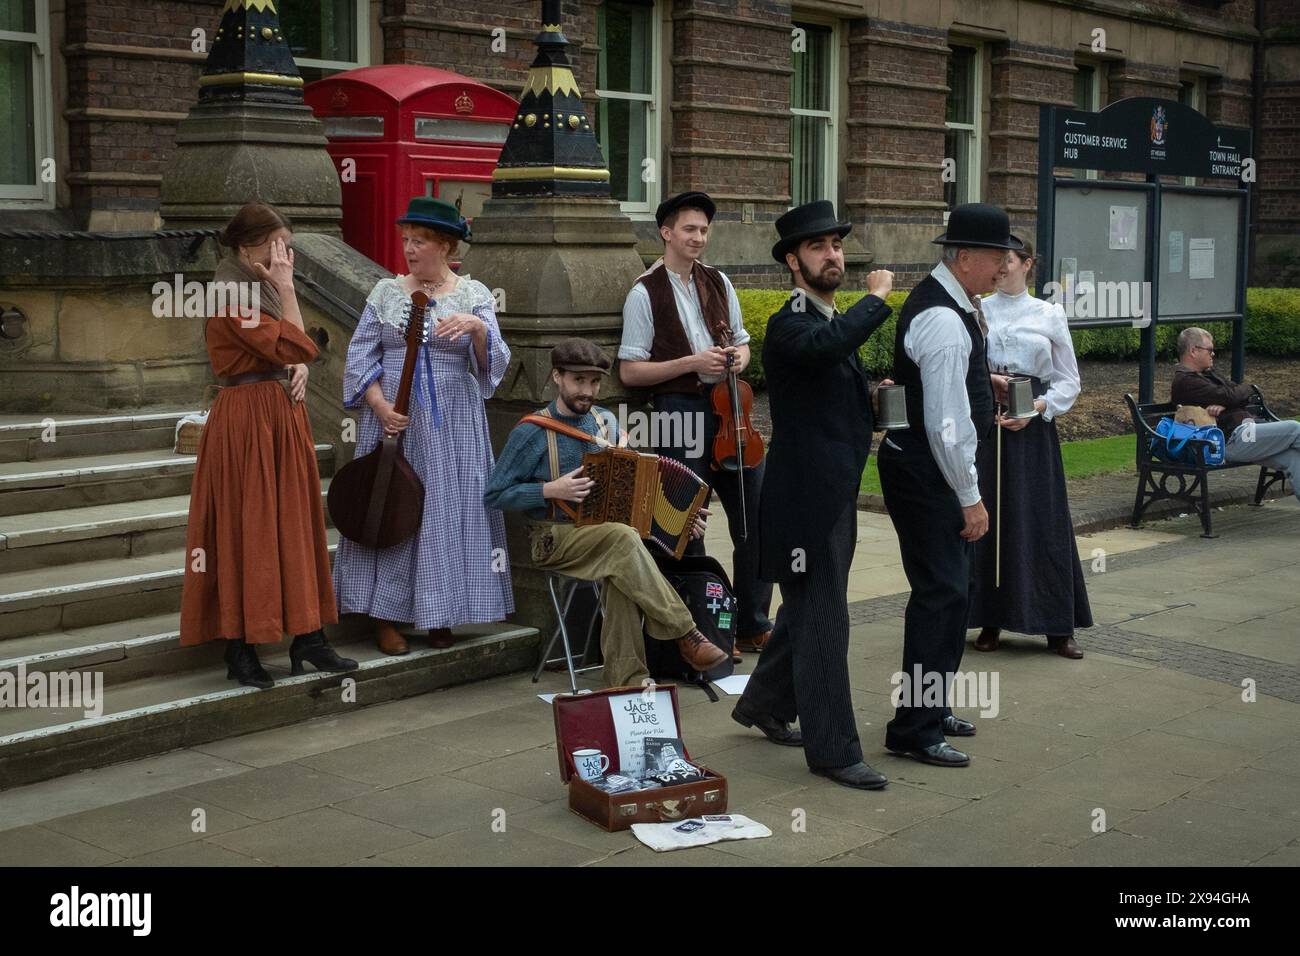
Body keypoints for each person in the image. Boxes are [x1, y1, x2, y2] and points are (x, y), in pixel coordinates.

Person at [731, 200, 894, 791]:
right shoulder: (791, 323)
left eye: (837, 245)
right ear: (793, 261)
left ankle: (765, 705)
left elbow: (826, 383)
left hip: (832, 495)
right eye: (820, 246)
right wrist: (877, 300)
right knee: (826, 622)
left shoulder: (826, 319)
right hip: (805, 503)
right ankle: (833, 751)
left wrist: (871, 400)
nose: (834, 255)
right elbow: (822, 351)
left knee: (806, 613)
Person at [180, 201, 356, 688]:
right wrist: (286, 291)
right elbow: (299, 345)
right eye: (273, 246)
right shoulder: (231, 293)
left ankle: (309, 637)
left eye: (286, 245)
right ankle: (240, 647)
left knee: (295, 524)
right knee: (247, 528)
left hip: (279, 413)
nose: (284, 255)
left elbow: (294, 353)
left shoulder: (254, 289)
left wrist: (292, 365)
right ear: (244, 247)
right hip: (246, 421)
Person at [483, 339, 727, 687]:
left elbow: (641, 482)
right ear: (557, 377)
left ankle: (628, 681)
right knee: (623, 541)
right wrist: (548, 490)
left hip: (608, 537)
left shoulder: (607, 423)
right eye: (578, 381)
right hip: (553, 537)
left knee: (620, 568)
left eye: (594, 382)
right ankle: (685, 633)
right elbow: (493, 495)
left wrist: (682, 516)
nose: (588, 390)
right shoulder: (531, 432)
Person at [333, 197, 514, 655]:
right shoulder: (386, 292)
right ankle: (386, 616)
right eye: (406, 240)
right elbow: (359, 359)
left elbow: (492, 367)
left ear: (446, 246)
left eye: (420, 241)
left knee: (447, 511)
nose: (410, 249)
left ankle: (441, 610)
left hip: (454, 418)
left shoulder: (473, 294)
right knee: (394, 503)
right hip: (397, 416)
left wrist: (477, 328)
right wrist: (379, 406)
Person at [877, 202, 1018, 768]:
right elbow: (945, 423)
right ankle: (913, 727)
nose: (1005, 267)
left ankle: (929, 710)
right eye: (997, 257)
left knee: (950, 594)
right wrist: (970, 497)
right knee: (942, 596)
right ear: (964, 258)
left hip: (926, 468)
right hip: (927, 474)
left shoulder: (956, 306)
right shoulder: (942, 319)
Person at [618, 191, 774, 663]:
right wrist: (689, 361)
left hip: (731, 410)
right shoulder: (643, 293)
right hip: (676, 411)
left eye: (704, 230)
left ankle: (751, 623)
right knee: (686, 525)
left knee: (756, 516)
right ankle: (701, 633)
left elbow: (745, 346)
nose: (698, 237)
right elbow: (629, 371)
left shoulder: (720, 282)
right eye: (689, 229)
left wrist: (736, 357)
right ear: (666, 232)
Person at [969, 240, 1093, 659]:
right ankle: (990, 619)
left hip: (1033, 427)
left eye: (1008, 259)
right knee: (991, 514)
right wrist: (989, 384)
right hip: (988, 420)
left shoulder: (1048, 314)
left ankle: (1058, 625)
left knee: (1042, 518)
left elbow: (1068, 380)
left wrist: (1037, 408)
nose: (1000, 267)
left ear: (1027, 264)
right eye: (996, 259)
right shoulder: (977, 309)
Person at [1170, 327, 1300, 502]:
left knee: (1293, 458)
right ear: (1193, 351)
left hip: (1247, 432)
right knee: (1294, 428)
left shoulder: (1207, 374)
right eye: (1209, 349)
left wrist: (1227, 401)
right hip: (1230, 440)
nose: (1213, 354)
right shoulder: (1186, 382)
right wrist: (1231, 398)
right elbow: (1236, 393)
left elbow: (1241, 392)